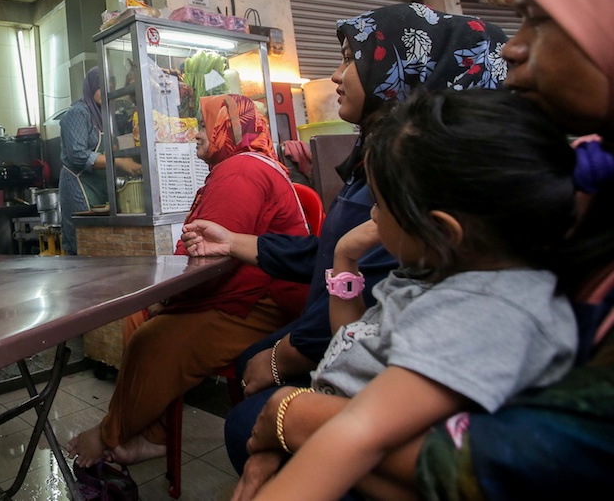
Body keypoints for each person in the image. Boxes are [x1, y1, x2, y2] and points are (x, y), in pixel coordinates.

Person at [234, 0, 614, 501]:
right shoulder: (562, 186)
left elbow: (492, 459)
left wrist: (286, 413)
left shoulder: (464, 205)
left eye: (541, 20)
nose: (512, 47)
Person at [180, 3, 509, 477]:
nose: (335, 75)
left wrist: (285, 367)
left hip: (353, 350)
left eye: (351, 58)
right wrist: (233, 242)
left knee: (232, 405)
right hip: (344, 335)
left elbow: (375, 293)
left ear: (403, 67)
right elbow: (334, 259)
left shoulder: (419, 176)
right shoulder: (372, 157)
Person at [243, 87, 579, 501]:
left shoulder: (485, 313)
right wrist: (346, 257)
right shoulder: (440, 269)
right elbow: (353, 342)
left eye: (380, 204)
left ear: (439, 230)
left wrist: (288, 425)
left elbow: (360, 432)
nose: (371, 214)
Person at [66, 93, 311, 467]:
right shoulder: (241, 166)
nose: (196, 131)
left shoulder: (241, 171)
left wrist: (166, 298)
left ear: (227, 127)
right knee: (140, 320)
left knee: (152, 338)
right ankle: (152, 434)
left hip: (260, 305)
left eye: (204, 122)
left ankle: (110, 434)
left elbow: (210, 262)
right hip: (244, 293)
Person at [59, 66, 142, 254]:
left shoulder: (106, 116)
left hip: (101, 187)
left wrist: (131, 162)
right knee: (83, 242)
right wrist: (119, 162)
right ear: (91, 87)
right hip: (80, 186)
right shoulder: (78, 113)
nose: (106, 90)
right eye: (101, 86)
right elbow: (78, 154)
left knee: (102, 243)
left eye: (110, 85)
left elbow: (112, 147)